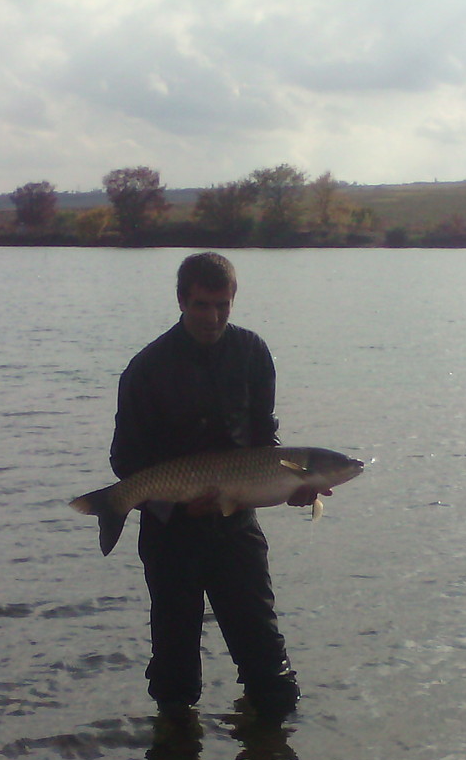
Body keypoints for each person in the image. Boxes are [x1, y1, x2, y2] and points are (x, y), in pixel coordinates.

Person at [109, 252, 316, 719]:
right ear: (182, 301)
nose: (214, 317)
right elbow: (124, 460)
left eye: (223, 305)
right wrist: (178, 504)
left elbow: (265, 438)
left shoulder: (252, 353)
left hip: (236, 530)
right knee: (175, 679)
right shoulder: (145, 369)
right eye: (203, 305)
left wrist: (292, 485)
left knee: (269, 668)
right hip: (170, 537)